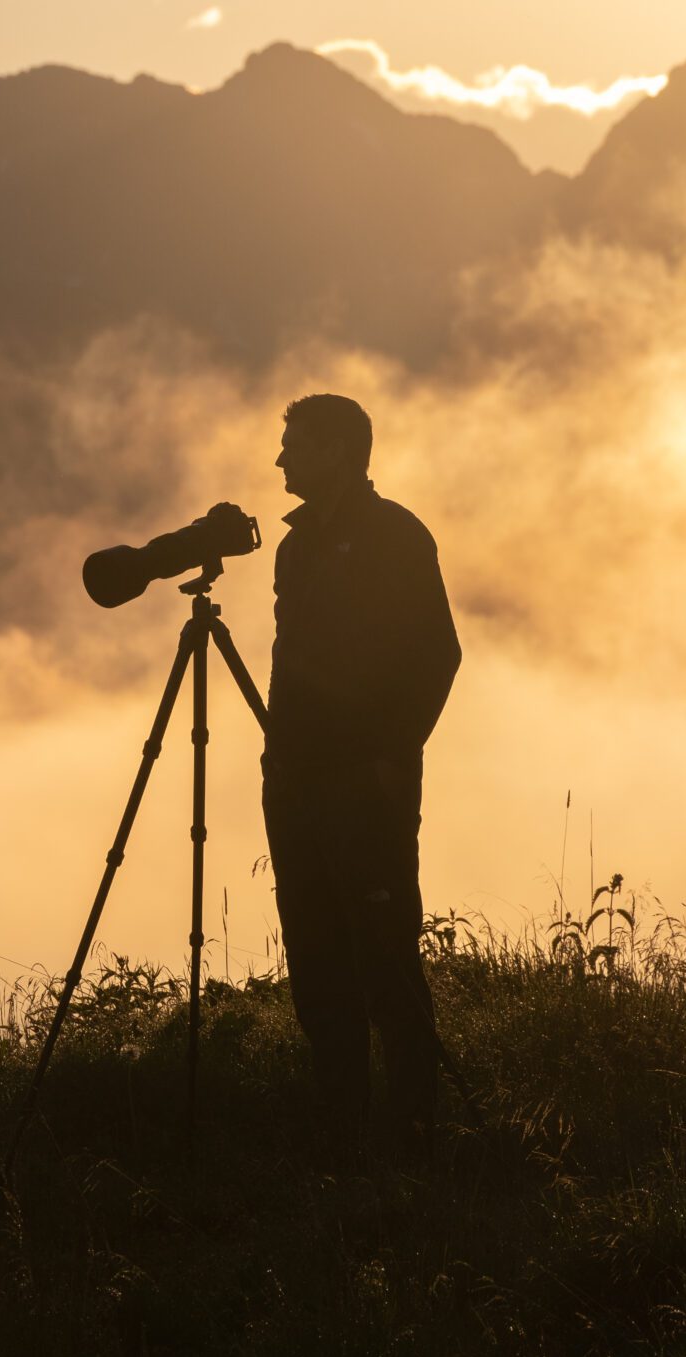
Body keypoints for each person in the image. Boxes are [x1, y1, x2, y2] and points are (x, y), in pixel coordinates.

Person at [262, 393, 460, 1168]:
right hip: (297, 782)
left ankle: (416, 1134)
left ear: (339, 452)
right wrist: (279, 760)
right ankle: (340, 1129)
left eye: (295, 445)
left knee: (385, 960)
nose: (280, 459)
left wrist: (387, 755)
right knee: (315, 960)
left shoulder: (395, 536)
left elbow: (437, 654)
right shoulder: (296, 545)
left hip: (364, 785)